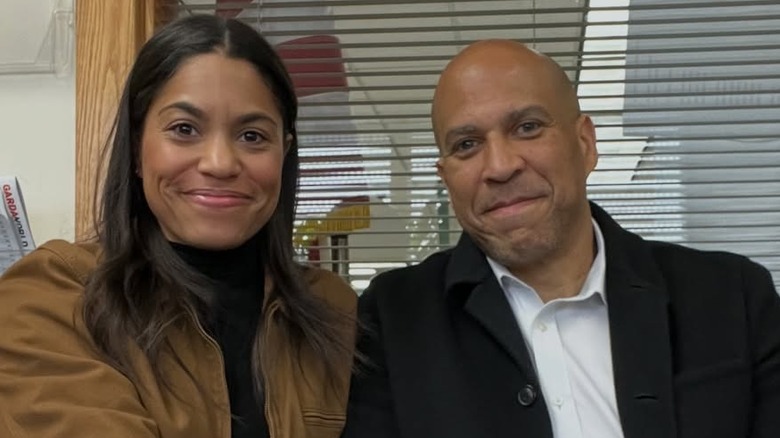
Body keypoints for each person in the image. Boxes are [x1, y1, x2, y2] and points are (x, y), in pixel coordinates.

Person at [343, 39, 780, 438]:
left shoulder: (732, 296)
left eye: (527, 127)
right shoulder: (394, 318)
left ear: (585, 143)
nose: (500, 166)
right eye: (467, 145)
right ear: (446, 178)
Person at [0, 14, 356, 438]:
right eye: (184, 129)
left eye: (253, 136)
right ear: (137, 149)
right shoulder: (56, 294)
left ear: (285, 151)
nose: (220, 163)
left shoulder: (335, 311)